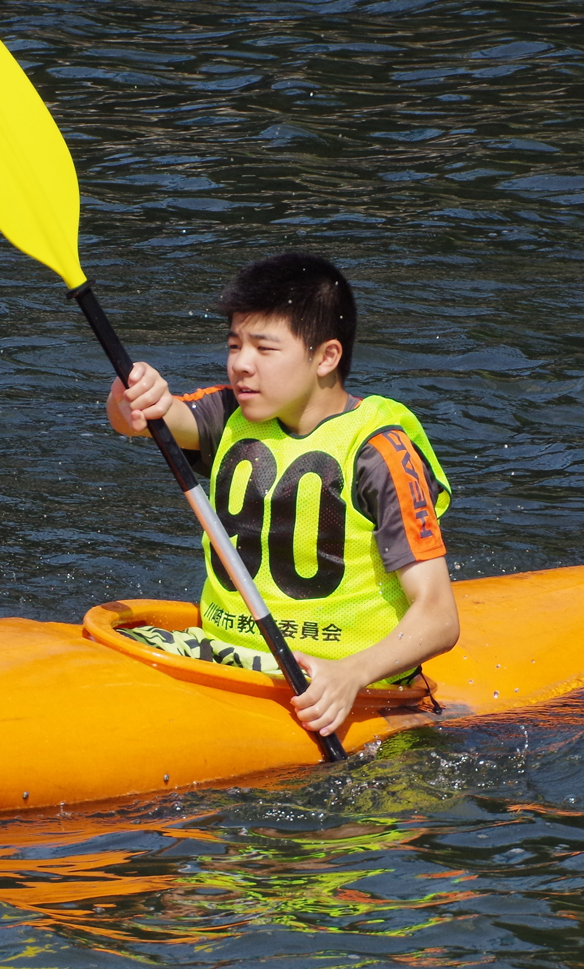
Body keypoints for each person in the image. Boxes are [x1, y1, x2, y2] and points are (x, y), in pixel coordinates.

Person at [106, 252, 458, 739]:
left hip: (339, 686)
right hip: (227, 663)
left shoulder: (379, 452)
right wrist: (130, 396)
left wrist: (350, 675)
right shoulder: (229, 412)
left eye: (264, 349)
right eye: (234, 345)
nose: (240, 366)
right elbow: (143, 421)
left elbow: (439, 618)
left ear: (326, 356)